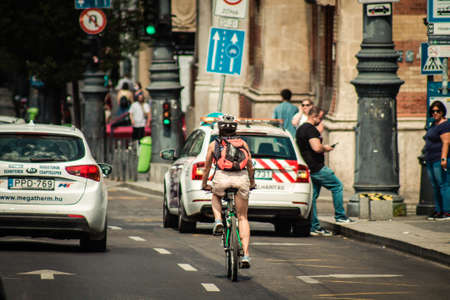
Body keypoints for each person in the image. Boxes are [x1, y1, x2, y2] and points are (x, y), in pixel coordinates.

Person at [201, 114, 256, 268]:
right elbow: (250, 165)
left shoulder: (214, 144)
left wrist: (205, 183)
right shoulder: (242, 143)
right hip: (241, 178)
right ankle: (246, 254)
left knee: (215, 195)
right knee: (243, 217)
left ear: (219, 129)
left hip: (222, 177)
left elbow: (206, 168)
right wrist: (252, 182)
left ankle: (218, 220)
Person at [297, 106, 353, 236]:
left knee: (313, 197)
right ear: (314, 116)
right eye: (320, 118)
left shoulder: (300, 129)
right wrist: (326, 148)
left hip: (309, 167)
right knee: (337, 186)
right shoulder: (310, 129)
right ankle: (340, 216)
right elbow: (316, 148)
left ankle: (314, 226)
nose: (320, 120)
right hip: (317, 167)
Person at [423, 100, 450, 220]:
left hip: (439, 159)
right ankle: (438, 210)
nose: (435, 113)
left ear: (442, 111)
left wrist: (443, 158)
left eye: (438, 111)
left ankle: (447, 211)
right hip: (430, 158)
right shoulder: (433, 125)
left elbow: (446, 142)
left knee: (444, 184)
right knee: (435, 186)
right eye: (433, 111)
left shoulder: (445, 125)